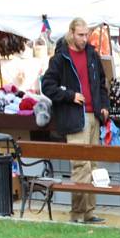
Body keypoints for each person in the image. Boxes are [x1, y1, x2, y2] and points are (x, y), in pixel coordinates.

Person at [41, 18, 110, 224]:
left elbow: (102, 84)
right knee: (81, 166)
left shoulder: (92, 54)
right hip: (74, 117)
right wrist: (70, 95)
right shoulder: (60, 57)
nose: (84, 38)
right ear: (71, 33)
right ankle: (77, 214)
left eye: (86, 34)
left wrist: (104, 105)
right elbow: (47, 86)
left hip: (94, 116)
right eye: (80, 34)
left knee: (93, 165)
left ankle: (89, 213)